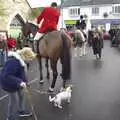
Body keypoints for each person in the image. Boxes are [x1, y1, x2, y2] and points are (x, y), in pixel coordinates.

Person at [0, 41, 36, 120]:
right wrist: (19, 82)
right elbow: (7, 76)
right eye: (30, 59)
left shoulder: (22, 62)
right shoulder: (14, 62)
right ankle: (9, 117)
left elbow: (21, 74)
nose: (30, 61)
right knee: (13, 101)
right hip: (7, 83)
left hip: (16, 82)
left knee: (21, 95)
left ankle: (21, 111)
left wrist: (26, 82)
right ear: (26, 57)